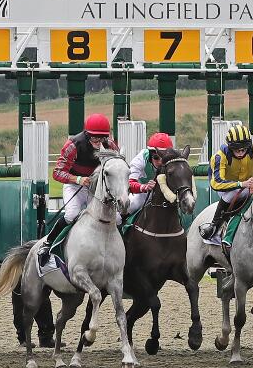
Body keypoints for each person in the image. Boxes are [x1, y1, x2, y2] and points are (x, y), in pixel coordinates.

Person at [37, 113, 120, 265]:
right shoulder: (73, 145)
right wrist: (78, 179)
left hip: (96, 189)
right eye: (95, 138)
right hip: (74, 185)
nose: (99, 142)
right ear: (87, 134)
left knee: (117, 218)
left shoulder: (111, 145)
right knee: (72, 214)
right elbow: (57, 172)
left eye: (102, 138)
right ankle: (48, 244)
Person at [199, 124, 253, 239]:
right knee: (232, 194)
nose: (240, 153)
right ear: (229, 147)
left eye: (244, 149)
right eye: (236, 150)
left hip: (251, 183)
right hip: (226, 187)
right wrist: (241, 184)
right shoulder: (219, 157)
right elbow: (216, 183)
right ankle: (214, 224)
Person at [127, 132, 174, 214]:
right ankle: (121, 224)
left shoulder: (173, 160)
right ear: (149, 154)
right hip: (143, 194)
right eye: (156, 157)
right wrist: (144, 187)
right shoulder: (140, 160)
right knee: (131, 205)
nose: (160, 162)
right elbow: (129, 183)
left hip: (165, 192)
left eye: (163, 158)